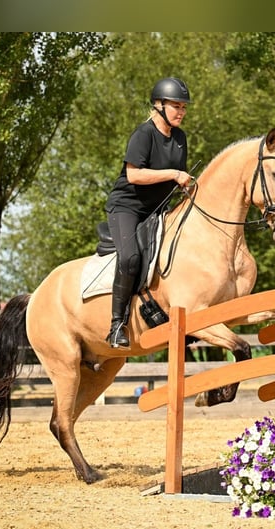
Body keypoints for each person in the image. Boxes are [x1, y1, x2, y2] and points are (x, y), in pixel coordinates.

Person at [104, 77, 193, 347]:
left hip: (157, 210)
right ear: (158, 105)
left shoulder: (180, 138)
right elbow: (134, 175)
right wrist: (174, 174)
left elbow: (175, 181)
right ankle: (116, 325)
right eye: (176, 105)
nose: (181, 111)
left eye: (184, 107)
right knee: (130, 258)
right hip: (127, 207)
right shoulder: (143, 134)